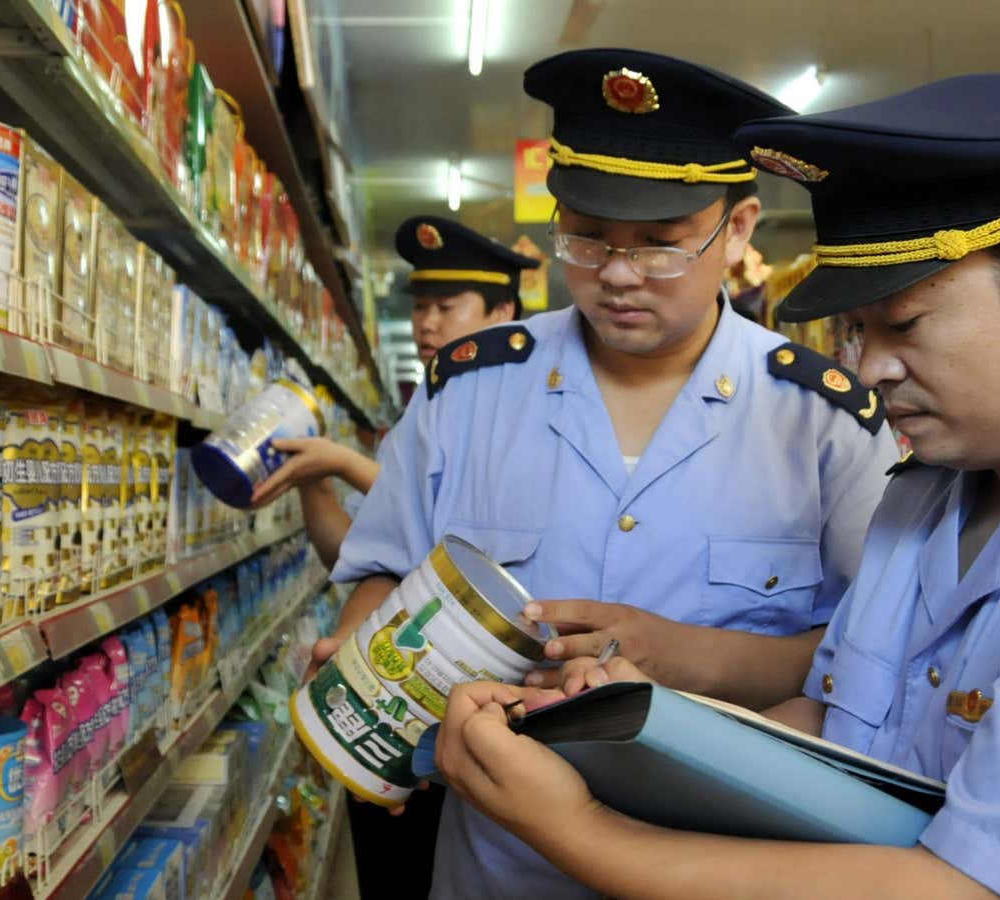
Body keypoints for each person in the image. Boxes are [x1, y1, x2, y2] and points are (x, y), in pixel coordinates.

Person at [433, 73, 1000, 899]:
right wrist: (651, 731)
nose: (870, 369)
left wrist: (580, 829)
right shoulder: (928, 495)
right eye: (857, 332)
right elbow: (833, 720)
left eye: (904, 324)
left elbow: (971, 886)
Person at [326, 49, 898, 898]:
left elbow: (879, 655)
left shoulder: (820, 419)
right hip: (499, 865)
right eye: (586, 237)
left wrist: (691, 659)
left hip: (726, 859)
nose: (618, 275)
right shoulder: (472, 392)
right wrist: (358, 662)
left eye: (661, 245)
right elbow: (380, 568)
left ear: (737, 228)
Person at [250, 215, 537, 570]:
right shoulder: (421, 414)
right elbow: (352, 557)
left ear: (503, 312)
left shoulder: (527, 411)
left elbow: (454, 523)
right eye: (419, 307)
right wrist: (315, 483)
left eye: (446, 307)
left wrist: (344, 462)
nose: (427, 323)